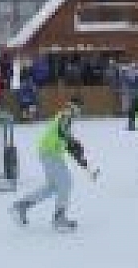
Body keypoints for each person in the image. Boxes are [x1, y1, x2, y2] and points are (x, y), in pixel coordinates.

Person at [12, 96, 88, 230]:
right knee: (65, 183)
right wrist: (74, 144)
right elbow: (62, 132)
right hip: (50, 153)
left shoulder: (65, 116)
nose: (80, 111)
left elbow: (63, 138)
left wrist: (78, 155)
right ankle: (59, 218)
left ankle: (21, 206)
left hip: (50, 153)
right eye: (80, 107)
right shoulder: (66, 115)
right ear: (74, 106)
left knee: (53, 187)